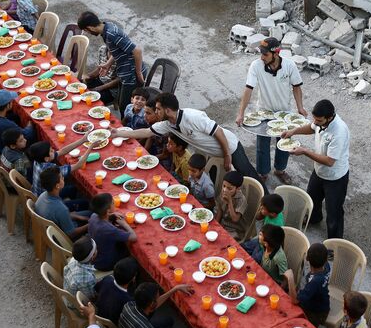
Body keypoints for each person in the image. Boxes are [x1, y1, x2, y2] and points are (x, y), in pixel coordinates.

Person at [116, 92, 265, 190]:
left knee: (248, 174)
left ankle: (270, 204)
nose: (156, 112)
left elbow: (218, 131)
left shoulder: (193, 116)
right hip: (212, 153)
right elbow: (146, 132)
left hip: (230, 146)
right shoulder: (168, 124)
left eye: (158, 109)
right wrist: (117, 133)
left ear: (167, 111)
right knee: (216, 181)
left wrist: (227, 155)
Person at [236, 37, 306, 184]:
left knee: (284, 142)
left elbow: (296, 87)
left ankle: (280, 170)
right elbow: (248, 89)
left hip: (284, 112)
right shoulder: (256, 66)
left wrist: (300, 107)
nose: (262, 57)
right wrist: (241, 113)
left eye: (265, 54)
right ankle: (262, 173)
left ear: (276, 53)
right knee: (263, 145)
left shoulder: (289, 66)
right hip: (264, 111)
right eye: (261, 53)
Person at [282, 99, 350, 239]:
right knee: (312, 199)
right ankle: (314, 219)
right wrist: (293, 131)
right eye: (315, 119)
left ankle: (334, 243)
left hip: (335, 177)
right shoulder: (321, 122)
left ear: (329, 117)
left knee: (334, 212)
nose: (315, 122)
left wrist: (305, 151)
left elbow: (330, 161)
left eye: (318, 120)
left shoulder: (339, 132)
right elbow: (311, 127)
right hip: (319, 172)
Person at [77, 12, 147, 112]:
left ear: (90, 28)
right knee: (124, 104)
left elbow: (137, 51)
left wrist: (139, 72)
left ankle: (127, 127)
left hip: (131, 73)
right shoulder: (107, 27)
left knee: (126, 107)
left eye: (86, 31)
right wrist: (108, 64)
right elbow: (117, 50)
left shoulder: (111, 34)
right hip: (125, 71)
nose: (88, 33)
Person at [119, 281, 193, 328]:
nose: (159, 298)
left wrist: (175, 289)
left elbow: (155, 304)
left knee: (169, 320)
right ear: (151, 304)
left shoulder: (128, 305)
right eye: (158, 297)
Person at [35, 167, 90, 240]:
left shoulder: (43, 195)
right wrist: (90, 225)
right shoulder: (61, 209)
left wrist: (77, 216)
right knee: (92, 214)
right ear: (57, 186)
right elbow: (71, 234)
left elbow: (58, 216)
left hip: (53, 226)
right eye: (61, 177)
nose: (63, 178)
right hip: (63, 236)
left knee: (85, 212)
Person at [89, 193, 137, 271]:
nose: (114, 204)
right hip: (105, 263)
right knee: (132, 255)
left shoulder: (93, 216)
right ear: (108, 211)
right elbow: (134, 237)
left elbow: (102, 218)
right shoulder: (109, 229)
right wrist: (125, 224)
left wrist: (110, 215)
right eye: (113, 203)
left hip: (95, 255)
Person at [286, 242, 330, 327]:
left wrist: (290, 278)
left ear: (307, 259)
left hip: (315, 313)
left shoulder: (314, 282)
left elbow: (295, 300)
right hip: (323, 305)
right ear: (326, 260)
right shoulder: (326, 267)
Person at [95, 257, 139, 325]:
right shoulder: (128, 301)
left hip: (98, 315)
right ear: (133, 278)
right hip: (113, 326)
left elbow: (96, 289)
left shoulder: (107, 279)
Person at [242, 193, 284, 262]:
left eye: (263, 208)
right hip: (260, 237)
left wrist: (258, 247)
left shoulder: (276, 226)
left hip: (264, 246)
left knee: (253, 260)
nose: (261, 208)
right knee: (242, 247)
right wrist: (262, 212)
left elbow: (268, 244)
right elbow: (257, 217)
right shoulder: (272, 212)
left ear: (273, 214)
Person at [215, 171, 248, 240]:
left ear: (238, 188)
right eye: (224, 186)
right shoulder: (223, 192)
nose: (225, 190)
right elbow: (220, 210)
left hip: (235, 229)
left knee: (222, 241)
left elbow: (235, 219)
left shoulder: (241, 200)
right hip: (223, 223)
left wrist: (229, 201)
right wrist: (216, 225)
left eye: (229, 188)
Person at [63, 236, 98, 301]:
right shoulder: (87, 278)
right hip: (75, 305)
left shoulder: (73, 260)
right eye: (96, 249)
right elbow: (91, 296)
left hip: (67, 295)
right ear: (92, 256)